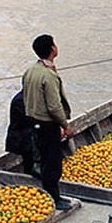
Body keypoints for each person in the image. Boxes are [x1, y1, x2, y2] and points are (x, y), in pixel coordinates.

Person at [22, 34, 74, 211]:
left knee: (43, 159)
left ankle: (48, 195)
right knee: (52, 163)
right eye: (55, 44)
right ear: (52, 49)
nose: (56, 46)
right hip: (47, 124)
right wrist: (65, 126)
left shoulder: (30, 70)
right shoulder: (48, 75)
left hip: (34, 122)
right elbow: (54, 106)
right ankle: (54, 198)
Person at [5, 89, 37, 177]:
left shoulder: (29, 98)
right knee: (29, 161)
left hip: (27, 135)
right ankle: (30, 176)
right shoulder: (20, 100)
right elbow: (28, 120)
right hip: (21, 138)